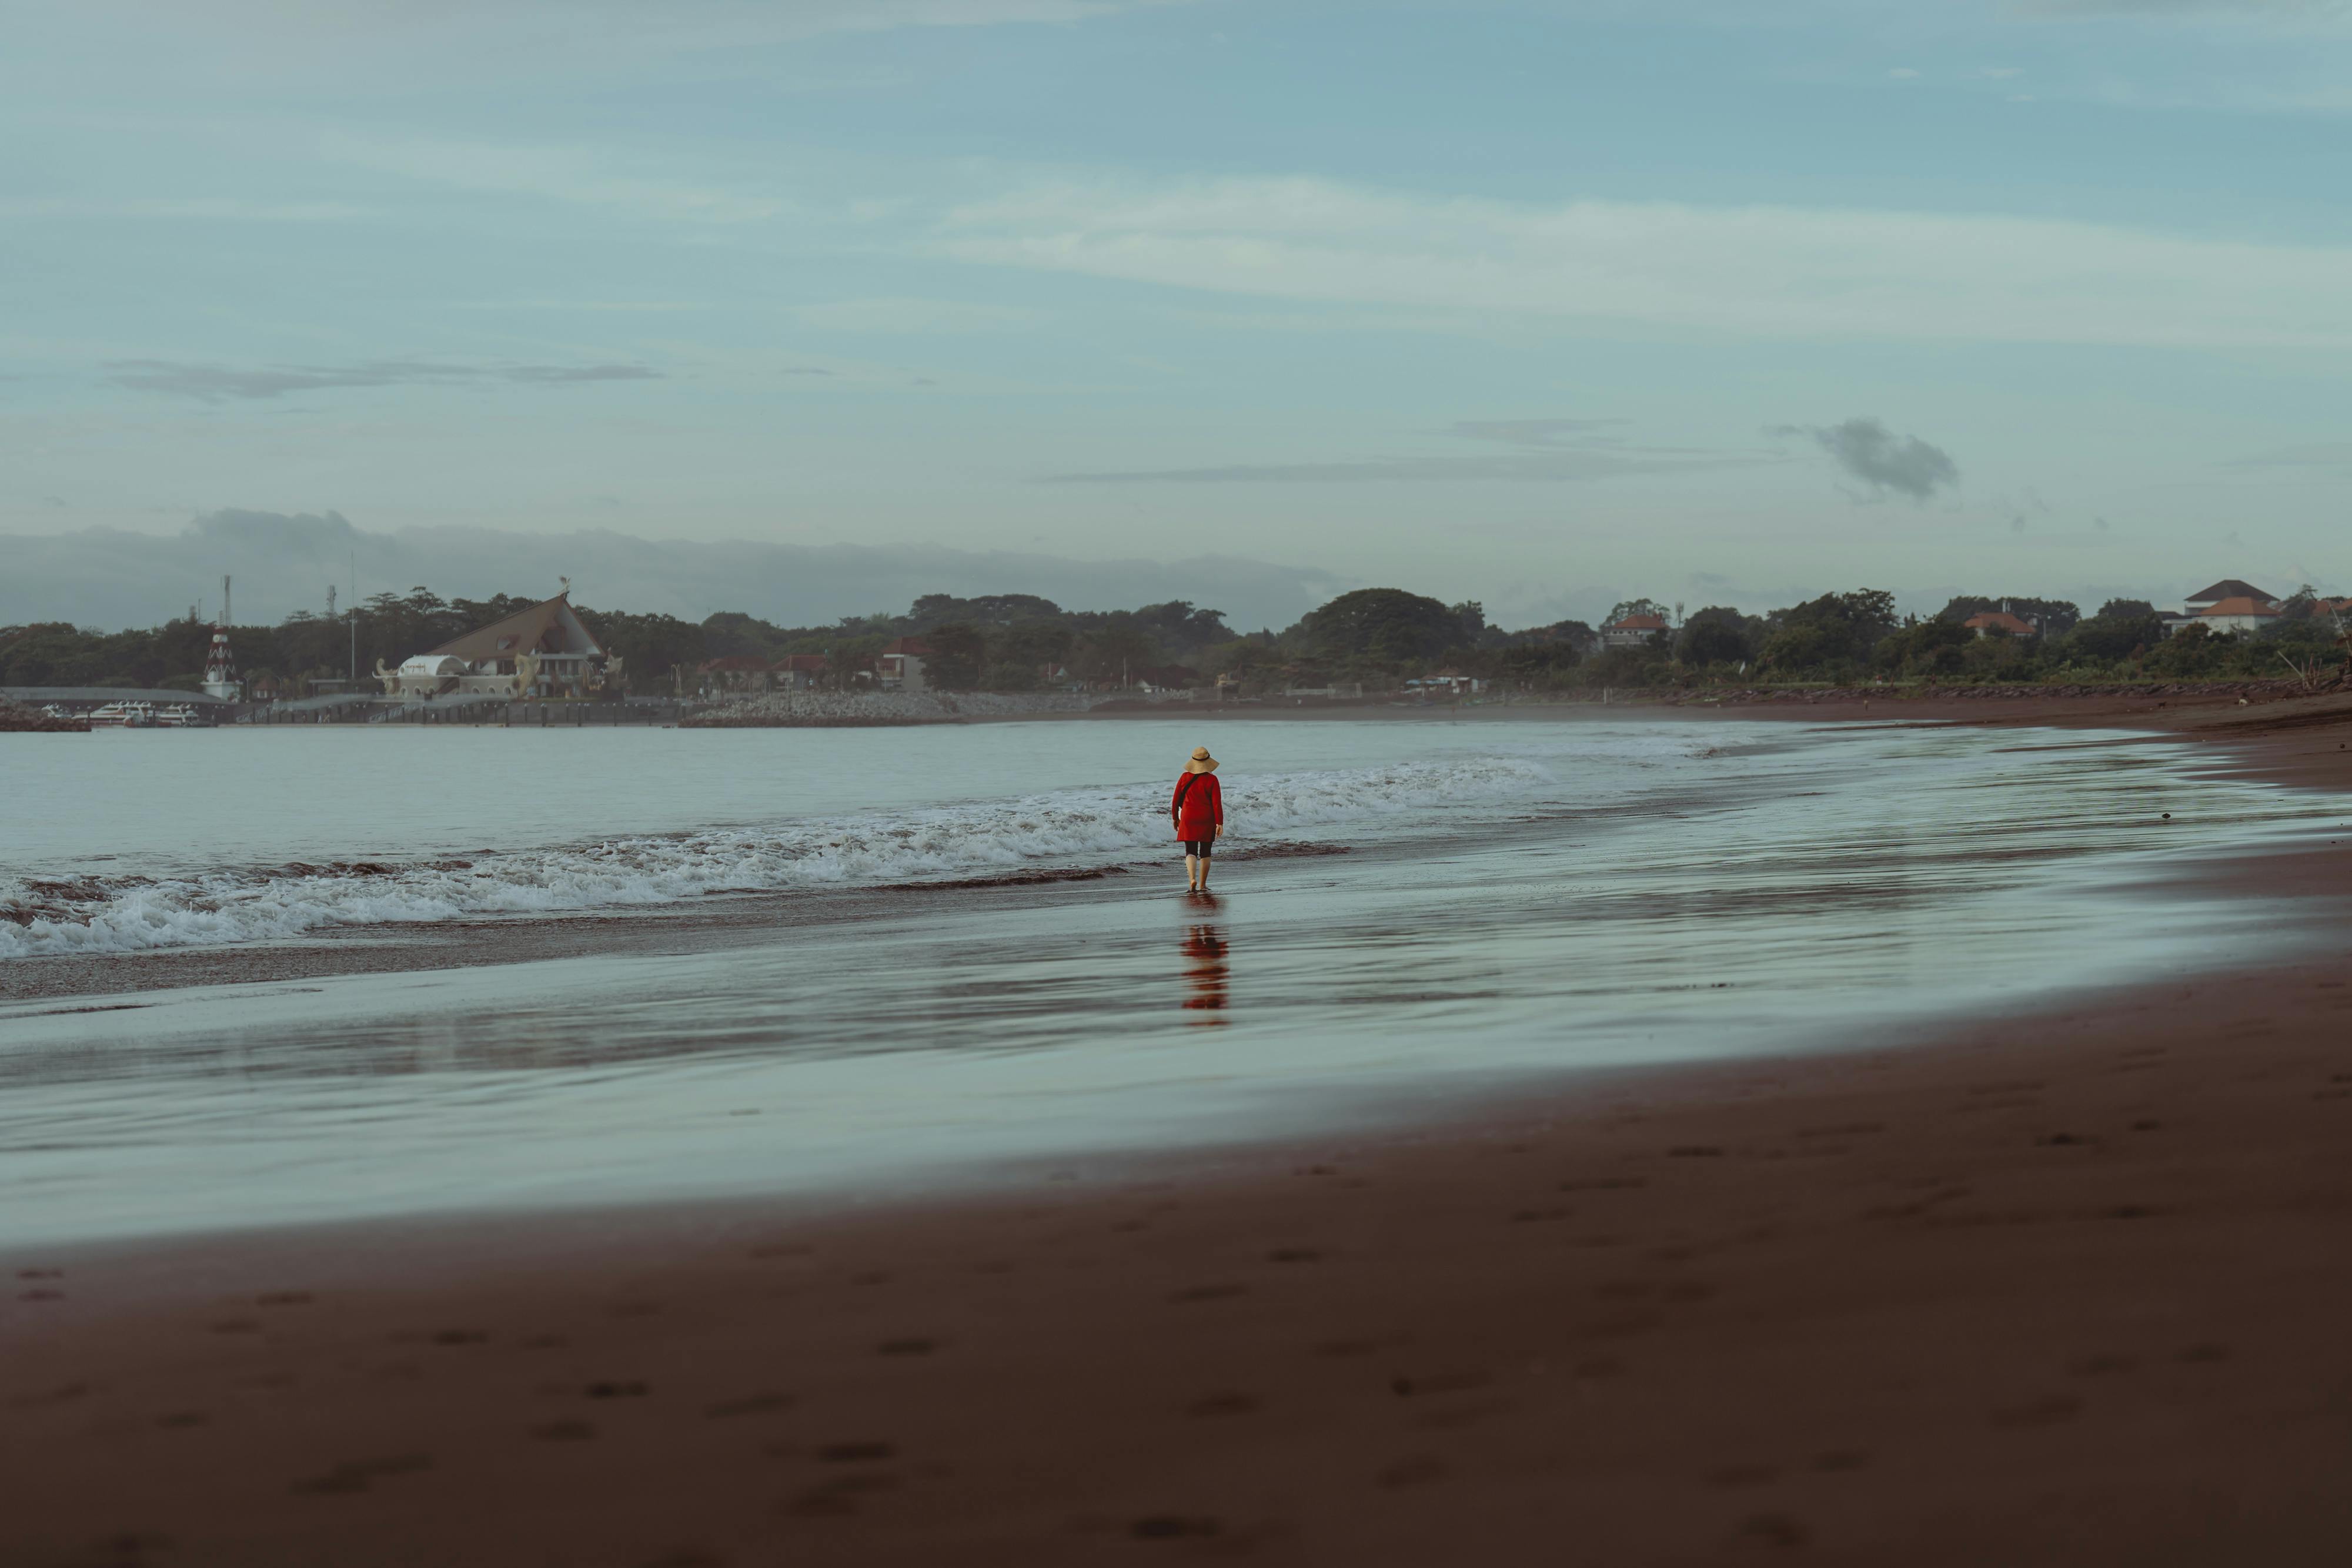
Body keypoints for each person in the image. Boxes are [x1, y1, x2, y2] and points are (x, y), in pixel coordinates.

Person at [1170, 745, 1224, 894]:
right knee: (1206, 851)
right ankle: (1203, 885)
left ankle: (1191, 879)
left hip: (1188, 817)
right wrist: (1220, 823)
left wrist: (1175, 818)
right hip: (1207, 818)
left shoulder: (1184, 777)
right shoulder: (1212, 780)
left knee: (1190, 850)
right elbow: (1216, 803)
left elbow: (1175, 801)